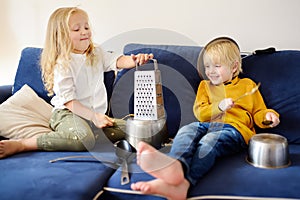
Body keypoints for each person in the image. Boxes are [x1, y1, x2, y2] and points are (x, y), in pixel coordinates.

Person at [130, 37, 280, 200]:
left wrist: (268, 116)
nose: (211, 71)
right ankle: (176, 166)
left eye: (217, 66)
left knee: (209, 142)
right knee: (187, 130)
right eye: (207, 66)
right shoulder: (205, 86)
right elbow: (200, 113)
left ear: (234, 66)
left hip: (235, 130)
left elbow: (259, 112)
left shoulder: (247, 85)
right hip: (207, 125)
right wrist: (219, 107)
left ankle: (185, 183)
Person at [0, 7, 153, 159]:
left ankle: (81, 137)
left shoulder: (96, 53)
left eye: (86, 27)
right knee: (83, 139)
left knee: (143, 131)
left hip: (94, 119)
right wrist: (94, 117)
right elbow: (69, 102)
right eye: (77, 29)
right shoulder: (63, 63)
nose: (85, 31)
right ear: (61, 35)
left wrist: (134, 60)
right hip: (67, 114)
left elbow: (117, 61)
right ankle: (24, 144)